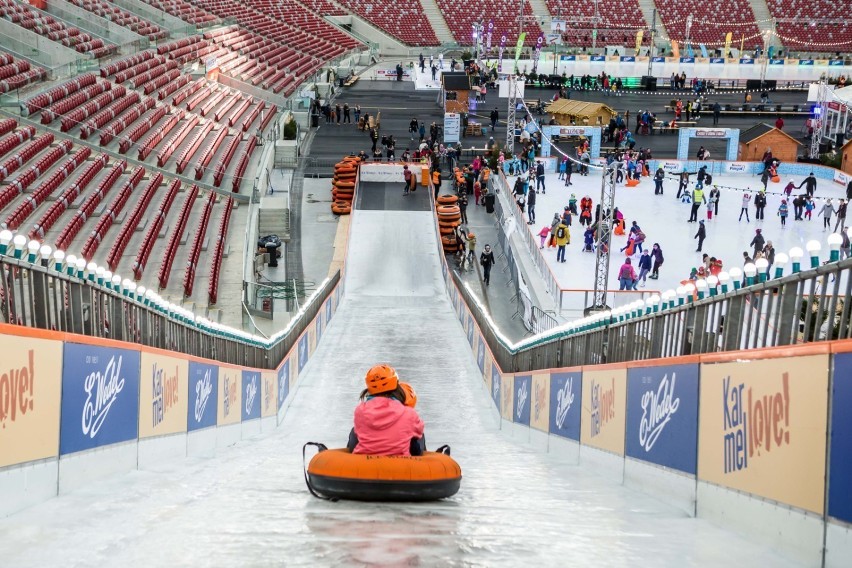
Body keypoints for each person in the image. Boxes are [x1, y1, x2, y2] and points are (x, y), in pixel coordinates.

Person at [348, 365, 424, 457]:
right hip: (401, 463)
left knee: (355, 431)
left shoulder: (360, 410)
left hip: (365, 462)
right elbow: (419, 432)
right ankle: (423, 465)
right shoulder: (409, 413)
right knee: (417, 435)